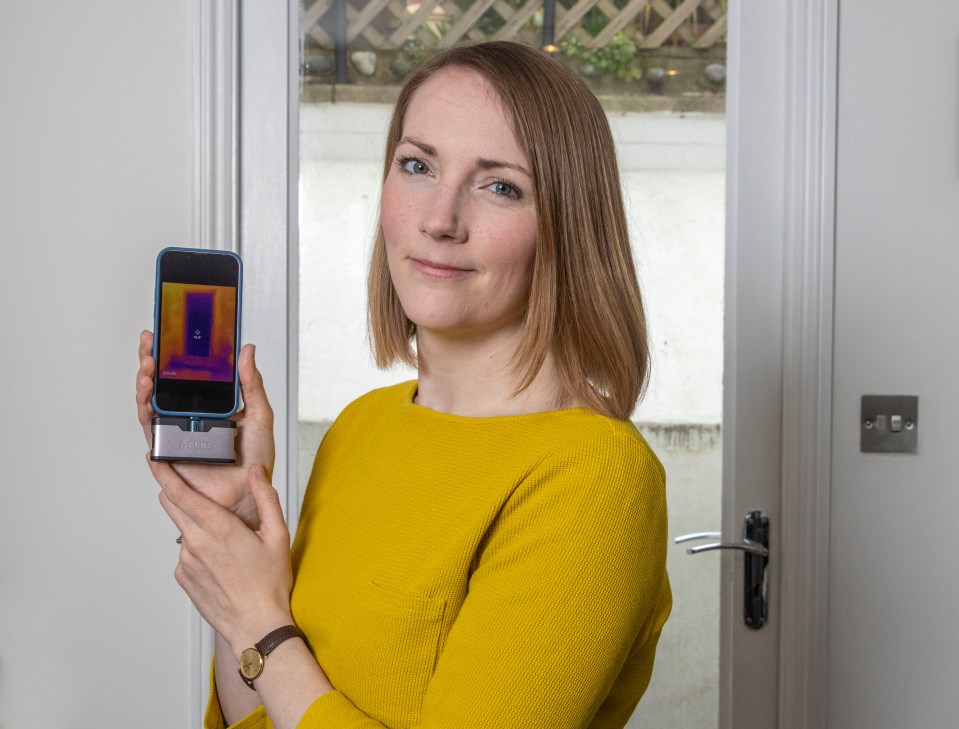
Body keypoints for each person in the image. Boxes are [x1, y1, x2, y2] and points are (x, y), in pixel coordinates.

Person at [136, 40, 670, 729]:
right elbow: (258, 721)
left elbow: (272, 655)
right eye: (417, 165)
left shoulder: (597, 478)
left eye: (498, 184)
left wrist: (263, 625)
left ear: (568, 226)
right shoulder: (360, 428)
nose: (439, 219)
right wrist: (238, 519)